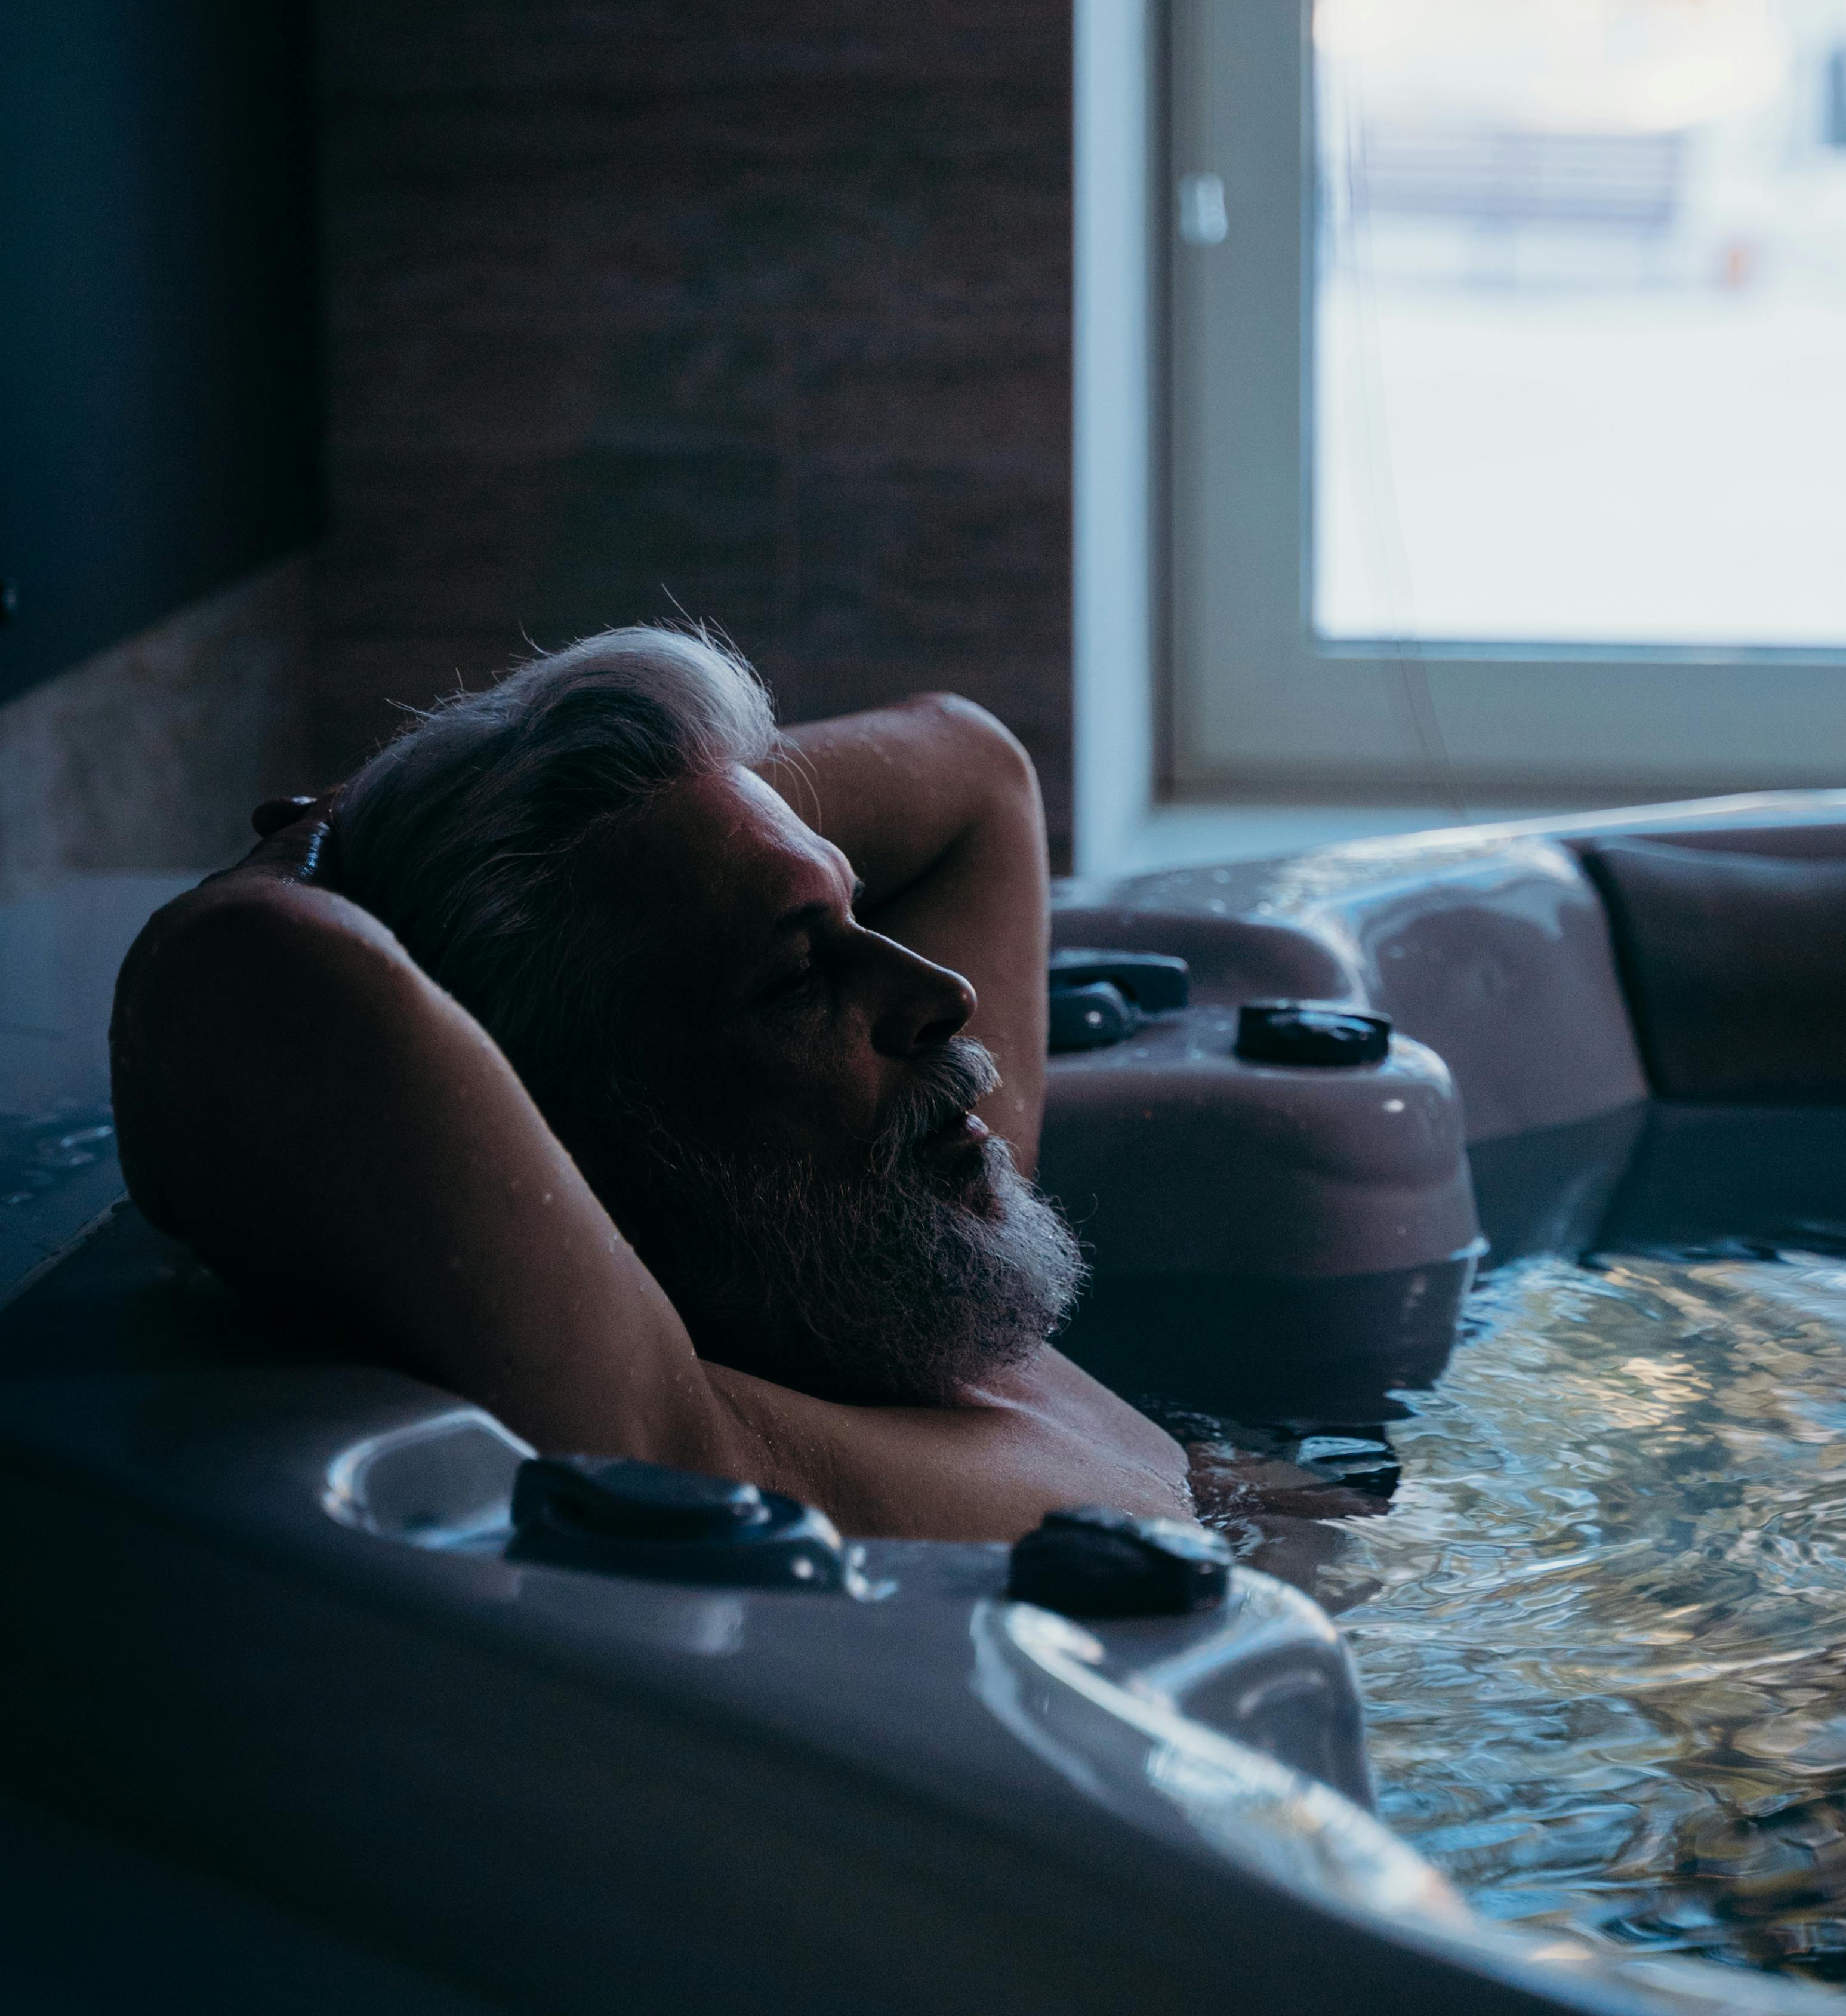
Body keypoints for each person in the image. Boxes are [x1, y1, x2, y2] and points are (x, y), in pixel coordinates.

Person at [110, 627, 1191, 1540]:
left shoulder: (902, 1260)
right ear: (578, 1143)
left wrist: (458, 813)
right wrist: (314, 847)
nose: (943, 993)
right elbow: (242, 968)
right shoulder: (710, 1442)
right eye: (796, 975)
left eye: (854, 912)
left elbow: (975, 775)